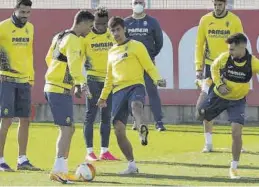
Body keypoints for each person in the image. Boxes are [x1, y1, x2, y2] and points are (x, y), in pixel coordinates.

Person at [97, 16, 166, 174]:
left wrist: (158, 79)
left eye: (118, 29)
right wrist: (103, 97)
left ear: (124, 29)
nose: (115, 33)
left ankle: (142, 129)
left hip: (136, 85)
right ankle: (131, 165)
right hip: (118, 91)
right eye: (112, 30)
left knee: (136, 106)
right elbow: (109, 78)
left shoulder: (137, 46)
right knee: (119, 130)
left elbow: (149, 66)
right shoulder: (112, 52)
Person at [196, 33, 259, 179]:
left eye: (232, 49)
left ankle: (234, 168)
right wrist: (219, 84)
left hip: (237, 101)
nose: (229, 52)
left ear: (242, 48)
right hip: (219, 96)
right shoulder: (224, 58)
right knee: (200, 114)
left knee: (236, 133)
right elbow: (213, 67)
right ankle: (205, 88)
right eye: (229, 49)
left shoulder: (253, 62)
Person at [44, 10, 94, 184]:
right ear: (82, 23)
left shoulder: (60, 35)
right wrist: (80, 83)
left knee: (69, 129)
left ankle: (61, 168)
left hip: (55, 86)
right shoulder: (73, 39)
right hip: (58, 88)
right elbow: (73, 65)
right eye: (90, 26)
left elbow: (48, 58)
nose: (90, 30)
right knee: (66, 129)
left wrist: (63, 79)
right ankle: (58, 170)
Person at [194, 0, 244, 152]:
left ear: (225, 4)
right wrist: (198, 67)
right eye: (215, 4)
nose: (217, 7)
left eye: (220, 5)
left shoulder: (234, 21)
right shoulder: (205, 20)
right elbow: (199, 44)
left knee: (233, 101)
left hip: (230, 67)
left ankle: (237, 142)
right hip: (210, 68)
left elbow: (241, 44)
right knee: (205, 105)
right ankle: (208, 143)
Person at [0, 0, 40, 172]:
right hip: (6, 80)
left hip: (25, 81)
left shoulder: (30, 28)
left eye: (28, 12)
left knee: (25, 120)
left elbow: (28, 53)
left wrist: (31, 76)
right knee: (6, 120)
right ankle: (1, 160)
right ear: (15, 10)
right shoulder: (3, 27)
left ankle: (22, 159)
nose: (25, 16)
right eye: (22, 12)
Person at [83, 7, 118, 161]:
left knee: (106, 116)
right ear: (93, 22)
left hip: (109, 81)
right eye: (98, 24)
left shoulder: (112, 36)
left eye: (104, 24)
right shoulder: (86, 37)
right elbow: (78, 59)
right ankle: (89, 152)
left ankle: (104, 150)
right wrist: (80, 82)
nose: (101, 27)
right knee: (90, 115)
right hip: (92, 81)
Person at [124, 0, 165, 131]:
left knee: (152, 92)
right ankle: (136, 120)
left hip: (148, 64)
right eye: (135, 2)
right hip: (131, 65)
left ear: (145, 4)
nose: (138, 4)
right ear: (131, 4)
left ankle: (159, 122)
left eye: (140, 2)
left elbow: (159, 42)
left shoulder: (153, 22)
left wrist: (150, 56)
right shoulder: (125, 22)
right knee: (131, 93)